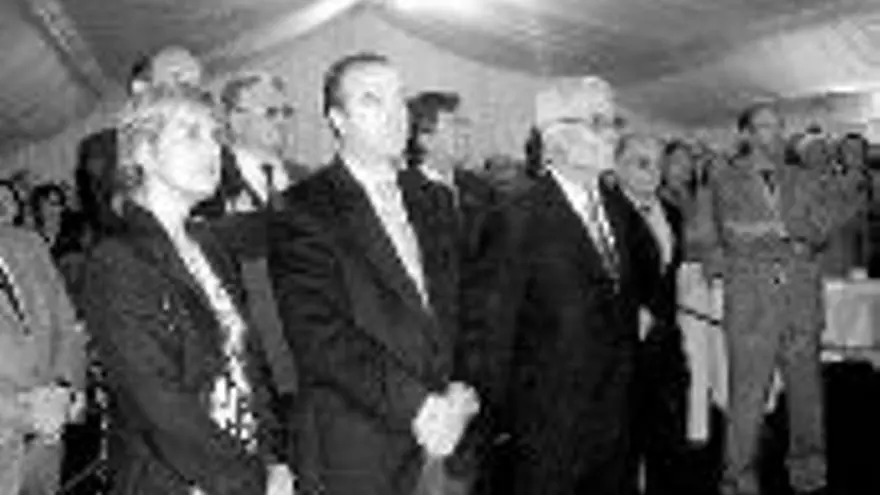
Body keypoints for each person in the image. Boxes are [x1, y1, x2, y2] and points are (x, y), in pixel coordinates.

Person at [268, 52, 478, 495]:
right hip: (360, 446)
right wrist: (419, 407)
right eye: (371, 100)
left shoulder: (434, 200)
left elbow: (464, 307)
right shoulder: (303, 207)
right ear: (338, 119)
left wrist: (464, 388)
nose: (395, 113)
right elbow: (318, 333)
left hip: (450, 432)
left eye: (399, 99)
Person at [81, 84, 294, 495]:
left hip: (245, 467)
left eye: (215, 136)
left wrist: (273, 458)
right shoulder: (117, 261)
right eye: (190, 134)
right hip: (177, 481)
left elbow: (249, 360)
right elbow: (157, 404)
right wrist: (251, 481)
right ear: (144, 151)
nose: (212, 150)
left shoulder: (209, 245)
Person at [460, 77, 666, 495]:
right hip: (548, 434)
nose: (614, 134)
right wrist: (490, 432)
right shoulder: (517, 218)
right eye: (600, 122)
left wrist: (638, 316)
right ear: (557, 140)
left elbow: (639, 277)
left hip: (617, 424)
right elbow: (489, 337)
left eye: (614, 122)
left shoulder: (616, 207)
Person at [709, 103, 864, 495]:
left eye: (780, 126)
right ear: (746, 134)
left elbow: (822, 228)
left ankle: (808, 470)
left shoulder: (802, 177)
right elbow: (733, 233)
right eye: (766, 126)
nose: (776, 133)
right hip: (751, 305)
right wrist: (788, 234)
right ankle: (738, 478)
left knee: (806, 395)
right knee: (747, 397)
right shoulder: (725, 178)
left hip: (801, 300)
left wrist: (780, 232)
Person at [0, 224, 87, 495]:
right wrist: (24, 414)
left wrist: (66, 388)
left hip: (47, 447)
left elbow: (67, 326)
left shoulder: (28, 243)